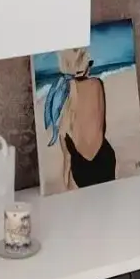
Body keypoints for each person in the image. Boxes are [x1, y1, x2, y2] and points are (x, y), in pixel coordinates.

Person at [41, 47, 116, 189]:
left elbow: (67, 161)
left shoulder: (63, 106)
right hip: (105, 161)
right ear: (85, 66)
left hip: (82, 171)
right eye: (90, 63)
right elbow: (102, 128)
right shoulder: (97, 84)